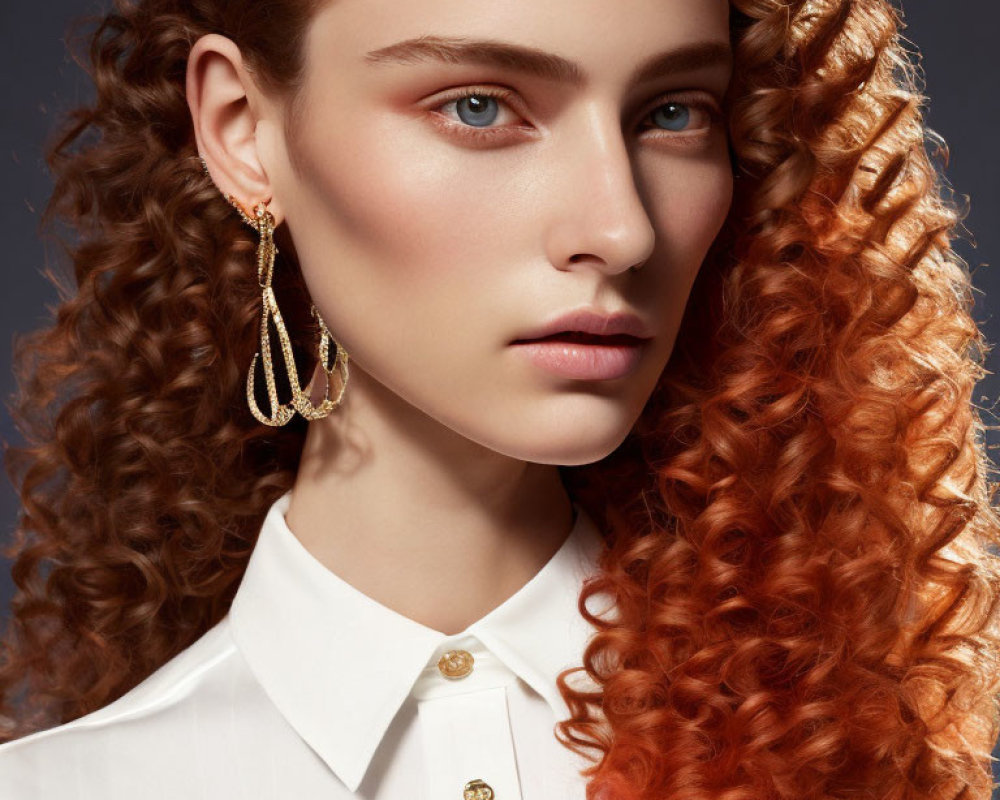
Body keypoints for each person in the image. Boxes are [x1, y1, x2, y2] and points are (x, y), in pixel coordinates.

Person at [0, 0, 997, 798]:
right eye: (478, 105)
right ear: (243, 133)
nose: (620, 228)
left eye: (672, 111)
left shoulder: (844, 748)